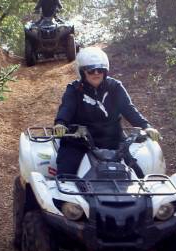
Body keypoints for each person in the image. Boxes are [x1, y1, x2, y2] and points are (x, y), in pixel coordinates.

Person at [52, 47, 161, 176]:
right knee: (66, 174)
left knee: (138, 176)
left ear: (106, 71)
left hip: (112, 140)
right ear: (82, 72)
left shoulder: (115, 87)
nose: (96, 73)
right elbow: (66, 108)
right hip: (79, 141)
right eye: (91, 70)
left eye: (100, 69)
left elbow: (128, 109)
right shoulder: (74, 89)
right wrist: (61, 123)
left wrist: (146, 126)